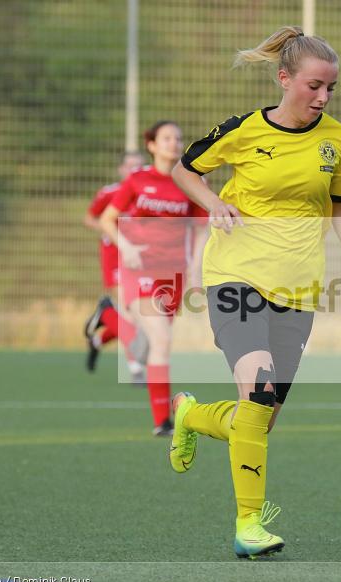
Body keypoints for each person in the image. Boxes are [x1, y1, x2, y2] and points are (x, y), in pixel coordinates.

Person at [169, 26, 341, 558]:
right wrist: (213, 203)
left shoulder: (338, 141)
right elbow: (186, 169)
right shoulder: (246, 129)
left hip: (298, 290)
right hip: (235, 277)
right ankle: (250, 525)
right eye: (315, 85)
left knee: (261, 415)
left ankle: (192, 416)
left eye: (331, 89)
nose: (322, 97)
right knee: (261, 391)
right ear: (285, 77)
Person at [99, 121, 209, 436]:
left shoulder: (189, 181)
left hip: (172, 272)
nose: (173, 143)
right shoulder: (137, 180)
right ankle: (163, 421)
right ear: (151, 145)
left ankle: (108, 315)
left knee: (151, 345)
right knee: (160, 340)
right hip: (140, 268)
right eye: (166, 138)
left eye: (177, 138)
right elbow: (108, 220)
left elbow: (202, 229)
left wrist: (195, 269)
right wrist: (127, 246)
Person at [83, 151, 148, 382]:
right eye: (130, 167)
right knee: (131, 313)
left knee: (139, 315)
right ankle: (135, 368)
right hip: (115, 257)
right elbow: (90, 218)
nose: (134, 171)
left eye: (139, 167)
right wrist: (110, 230)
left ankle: (100, 332)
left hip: (139, 259)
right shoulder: (109, 193)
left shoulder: (145, 195)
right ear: (121, 170)